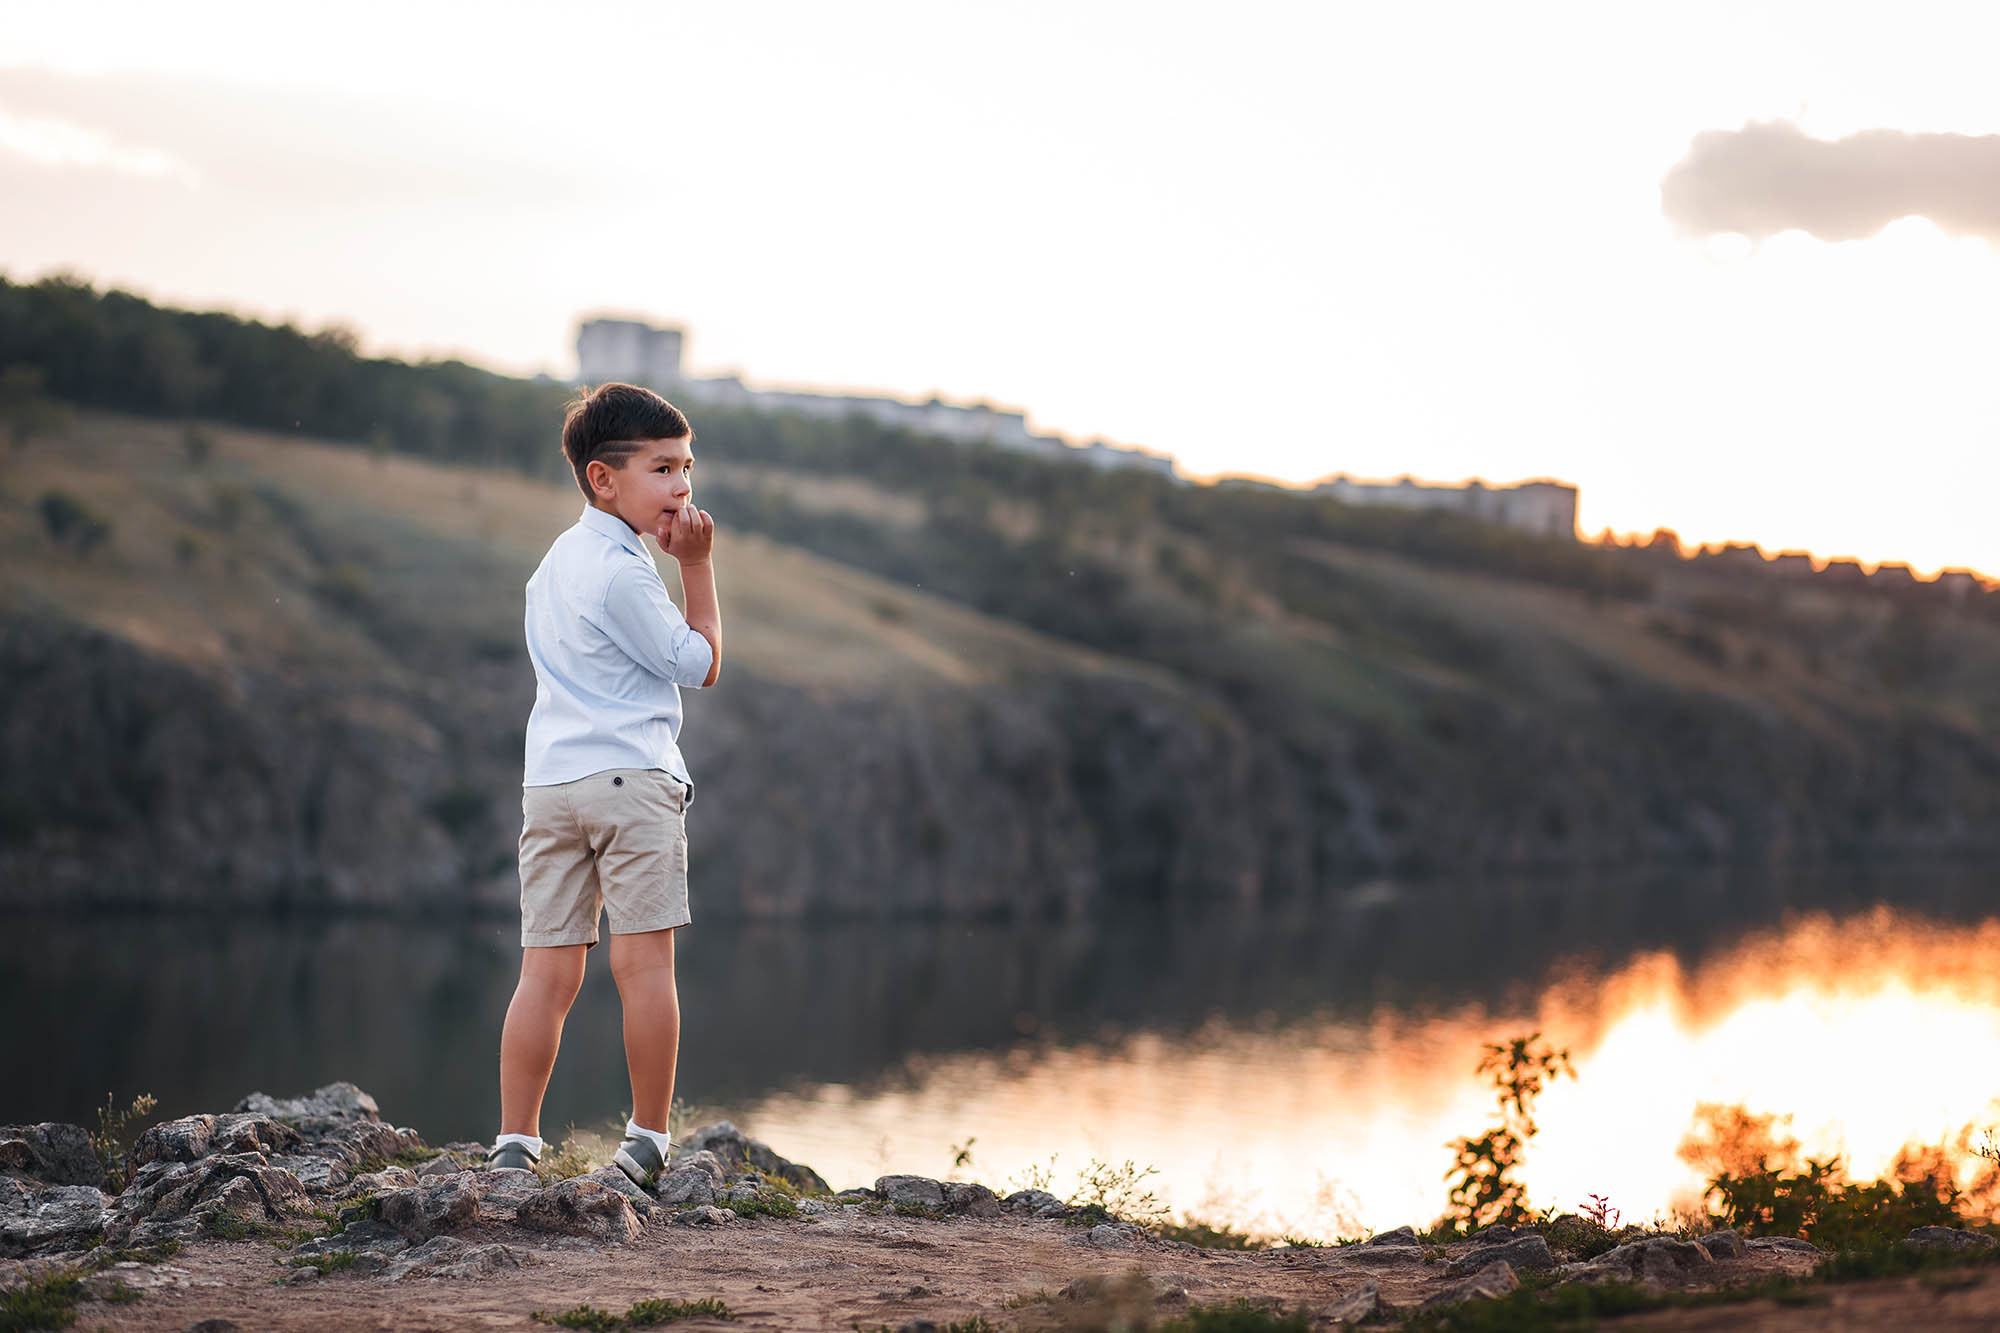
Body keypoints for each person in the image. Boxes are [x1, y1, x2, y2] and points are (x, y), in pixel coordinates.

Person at [486, 381, 722, 1188]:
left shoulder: (552, 565)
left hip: (550, 787)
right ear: (603, 478)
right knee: (645, 967)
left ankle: (514, 1143)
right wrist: (696, 567)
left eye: (687, 466)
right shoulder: (625, 571)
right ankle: (648, 1141)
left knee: (544, 974)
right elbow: (698, 663)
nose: (683, 485)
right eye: (663, 468)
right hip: (629, 780)